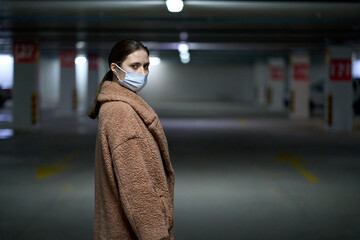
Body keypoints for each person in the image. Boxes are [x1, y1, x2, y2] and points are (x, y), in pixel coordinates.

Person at [88, 39, 175, 240]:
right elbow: (136, 187)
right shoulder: (122, 113)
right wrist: (156, 235)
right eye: (134, 66)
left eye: (146, 66)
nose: (142, 73)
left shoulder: (113, 106)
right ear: (115, 68)